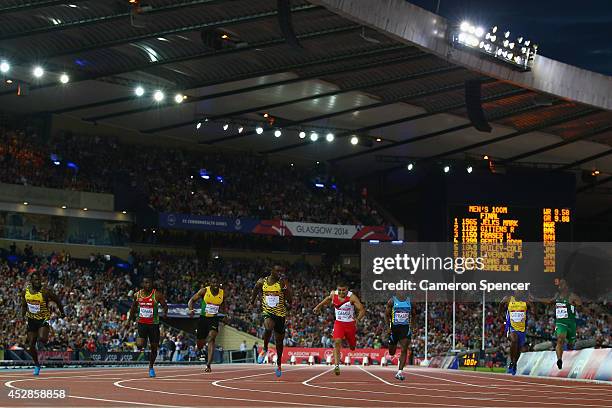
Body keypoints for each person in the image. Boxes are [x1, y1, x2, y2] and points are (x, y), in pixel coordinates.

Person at [313, 282, 365, 376]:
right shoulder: (334, 294)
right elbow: (328, 299)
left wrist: (357, 319)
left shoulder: (352, 297)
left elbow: (362, 309)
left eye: (343, 290)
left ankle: (352, 344)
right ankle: (336, 366)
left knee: (352, 347)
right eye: (340, 290)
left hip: (350, 324)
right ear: (337, 289)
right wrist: (318, 306)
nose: (341, 292)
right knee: (337, 342)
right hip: (339, 323)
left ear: (347, 289)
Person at [250, 264, 293, 377]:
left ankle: (278, 363)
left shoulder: (282, 283)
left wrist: (284, 288)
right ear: (272, 271)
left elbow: (290, 299)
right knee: (268, 327)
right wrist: (252, 302)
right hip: (268, 312)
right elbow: (255, 289)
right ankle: (264, 349)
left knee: (279, 342)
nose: (280, 273)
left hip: (280, 315)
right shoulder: (262, 281)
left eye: (282, 271)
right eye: (278, 271)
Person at [21, 271, 65, 376]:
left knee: (42, 339)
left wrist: (62, 312)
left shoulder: (45, 292)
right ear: (31, 281)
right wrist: (23, 316)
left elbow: (57, 300)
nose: (38, 282)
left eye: (39, 280)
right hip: (31, 320)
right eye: (35, 280)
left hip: (43, 319)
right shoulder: (25, 292)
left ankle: (45, 337)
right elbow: (23, 305)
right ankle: (37, 365)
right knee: (30, 346)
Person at [129, 276, 168, 378]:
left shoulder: (157, 295)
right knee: (140, 345)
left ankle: (151, 367)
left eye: (149, 283)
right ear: (142, 284)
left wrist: (165, 313)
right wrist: (129, 319)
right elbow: (133, 308)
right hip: (142, 323)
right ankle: (143, 339)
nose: (148, 285)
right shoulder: (137, 295)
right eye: (146, 283)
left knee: (154, 348)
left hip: (153, 325)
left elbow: (165, 305)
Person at [539, 279, 581, 369]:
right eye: (559, 285)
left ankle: (570, 360)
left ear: (566, 286)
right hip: (560, 322)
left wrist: (575, 304)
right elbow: (550, 301)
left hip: (571, 323)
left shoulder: (572, 296)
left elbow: (580, 304)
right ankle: (559, 360)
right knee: (560, 339)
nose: (559, 286)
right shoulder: (557, 296)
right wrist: (537, 299)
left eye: (562, 284)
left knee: (571, 344)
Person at [188, 276, 224, 373]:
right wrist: (191, 309)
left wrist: (226, 315)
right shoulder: (204, 291)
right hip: (203, 319)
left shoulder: (222, 293)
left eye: (217, 282)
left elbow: (223, 304)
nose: (216, 284)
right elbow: (191, 300)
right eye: (214, 282)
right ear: (210, 283)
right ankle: (200, 349)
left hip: (213, 319)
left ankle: (208, 364)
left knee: (212, 338)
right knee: (200, 343)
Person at [498, 290, 535, 375]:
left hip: (522, 329)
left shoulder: (526, 301)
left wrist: (533, 310)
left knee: (518, 349)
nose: (519, 293)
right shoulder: (508, 299)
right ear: (514, 292)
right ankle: (512, 361)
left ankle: (514, 363)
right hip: (511, 327)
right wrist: (499, 316)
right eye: (517, 291)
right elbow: (500, 304)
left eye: (521, 291)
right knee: (514, 340)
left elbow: (533, 309)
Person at [385, 291, 416, 381]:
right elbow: (386, 315)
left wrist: (413, 326)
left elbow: (414, 315)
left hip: (405, 329)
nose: (402, 292)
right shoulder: (391, 301)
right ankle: (392, 346)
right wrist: (388, 327)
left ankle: (400, 372)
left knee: (404, 349)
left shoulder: (410, 302)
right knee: (391, 352)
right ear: (397, 292)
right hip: (394, 329)